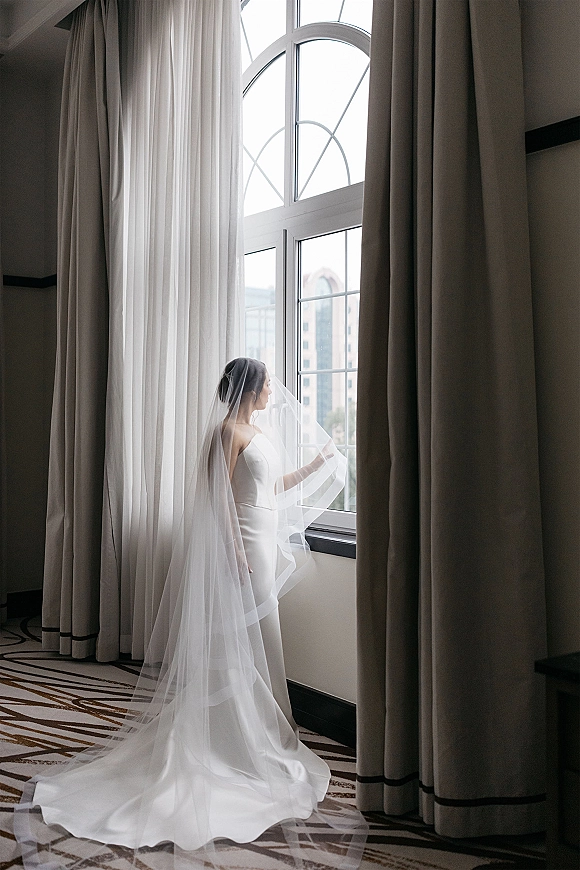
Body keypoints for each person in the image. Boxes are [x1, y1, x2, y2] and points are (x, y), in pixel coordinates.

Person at [16, 358, 367, 869]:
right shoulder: (225, 431)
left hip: (263, 540)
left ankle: (266, 731)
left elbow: (269, 489)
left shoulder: (256, 429)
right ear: (249, 386)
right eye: (268, 383)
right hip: (241, 543)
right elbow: (219, 497)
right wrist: (235, 551)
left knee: (263, 635)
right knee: (238, 638)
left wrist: (318, 466)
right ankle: (234, 734)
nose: (274, 390)